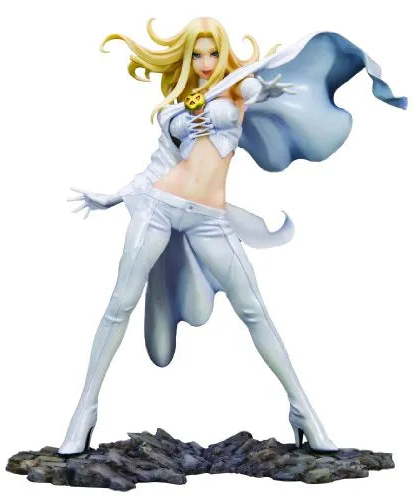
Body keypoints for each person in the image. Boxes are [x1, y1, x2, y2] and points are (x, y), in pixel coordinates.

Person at [58, 17, 407, 456]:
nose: (205, 63)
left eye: (212, 53)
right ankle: (84, 412)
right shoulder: (173, 109)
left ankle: (303, 411)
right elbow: (157, 165)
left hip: (209, 219)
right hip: (157, 206)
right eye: (197, 55)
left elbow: (251, 92)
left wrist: (264, 90)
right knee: (119, 304)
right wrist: (113, 196)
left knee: (254, 310)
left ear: (223, 55)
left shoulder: (238, 90)